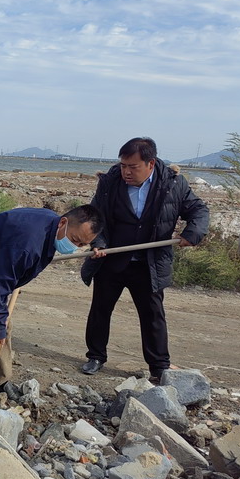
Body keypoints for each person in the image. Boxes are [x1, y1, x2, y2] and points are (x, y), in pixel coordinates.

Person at [0, 205, 104, 401]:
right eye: (75, 240)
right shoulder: (28, 241)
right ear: (63, 222)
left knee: (3, 326)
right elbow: (3, 282)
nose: (74, 247)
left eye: (82, 245)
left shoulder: (52, 230)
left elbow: (5, 278)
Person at [80, 137, 209, 382]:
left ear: (150, 164)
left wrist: (192, 233)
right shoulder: (109, 183)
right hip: (112, 258)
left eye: (133, 167)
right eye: (123, 166)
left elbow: (199, 210)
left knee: (153, 315)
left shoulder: (172, 183)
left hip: (150, 262)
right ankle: (95, 356)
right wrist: (98, 243)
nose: (126, 172)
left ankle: (158, 366)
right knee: (100, 310)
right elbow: (95, 217)